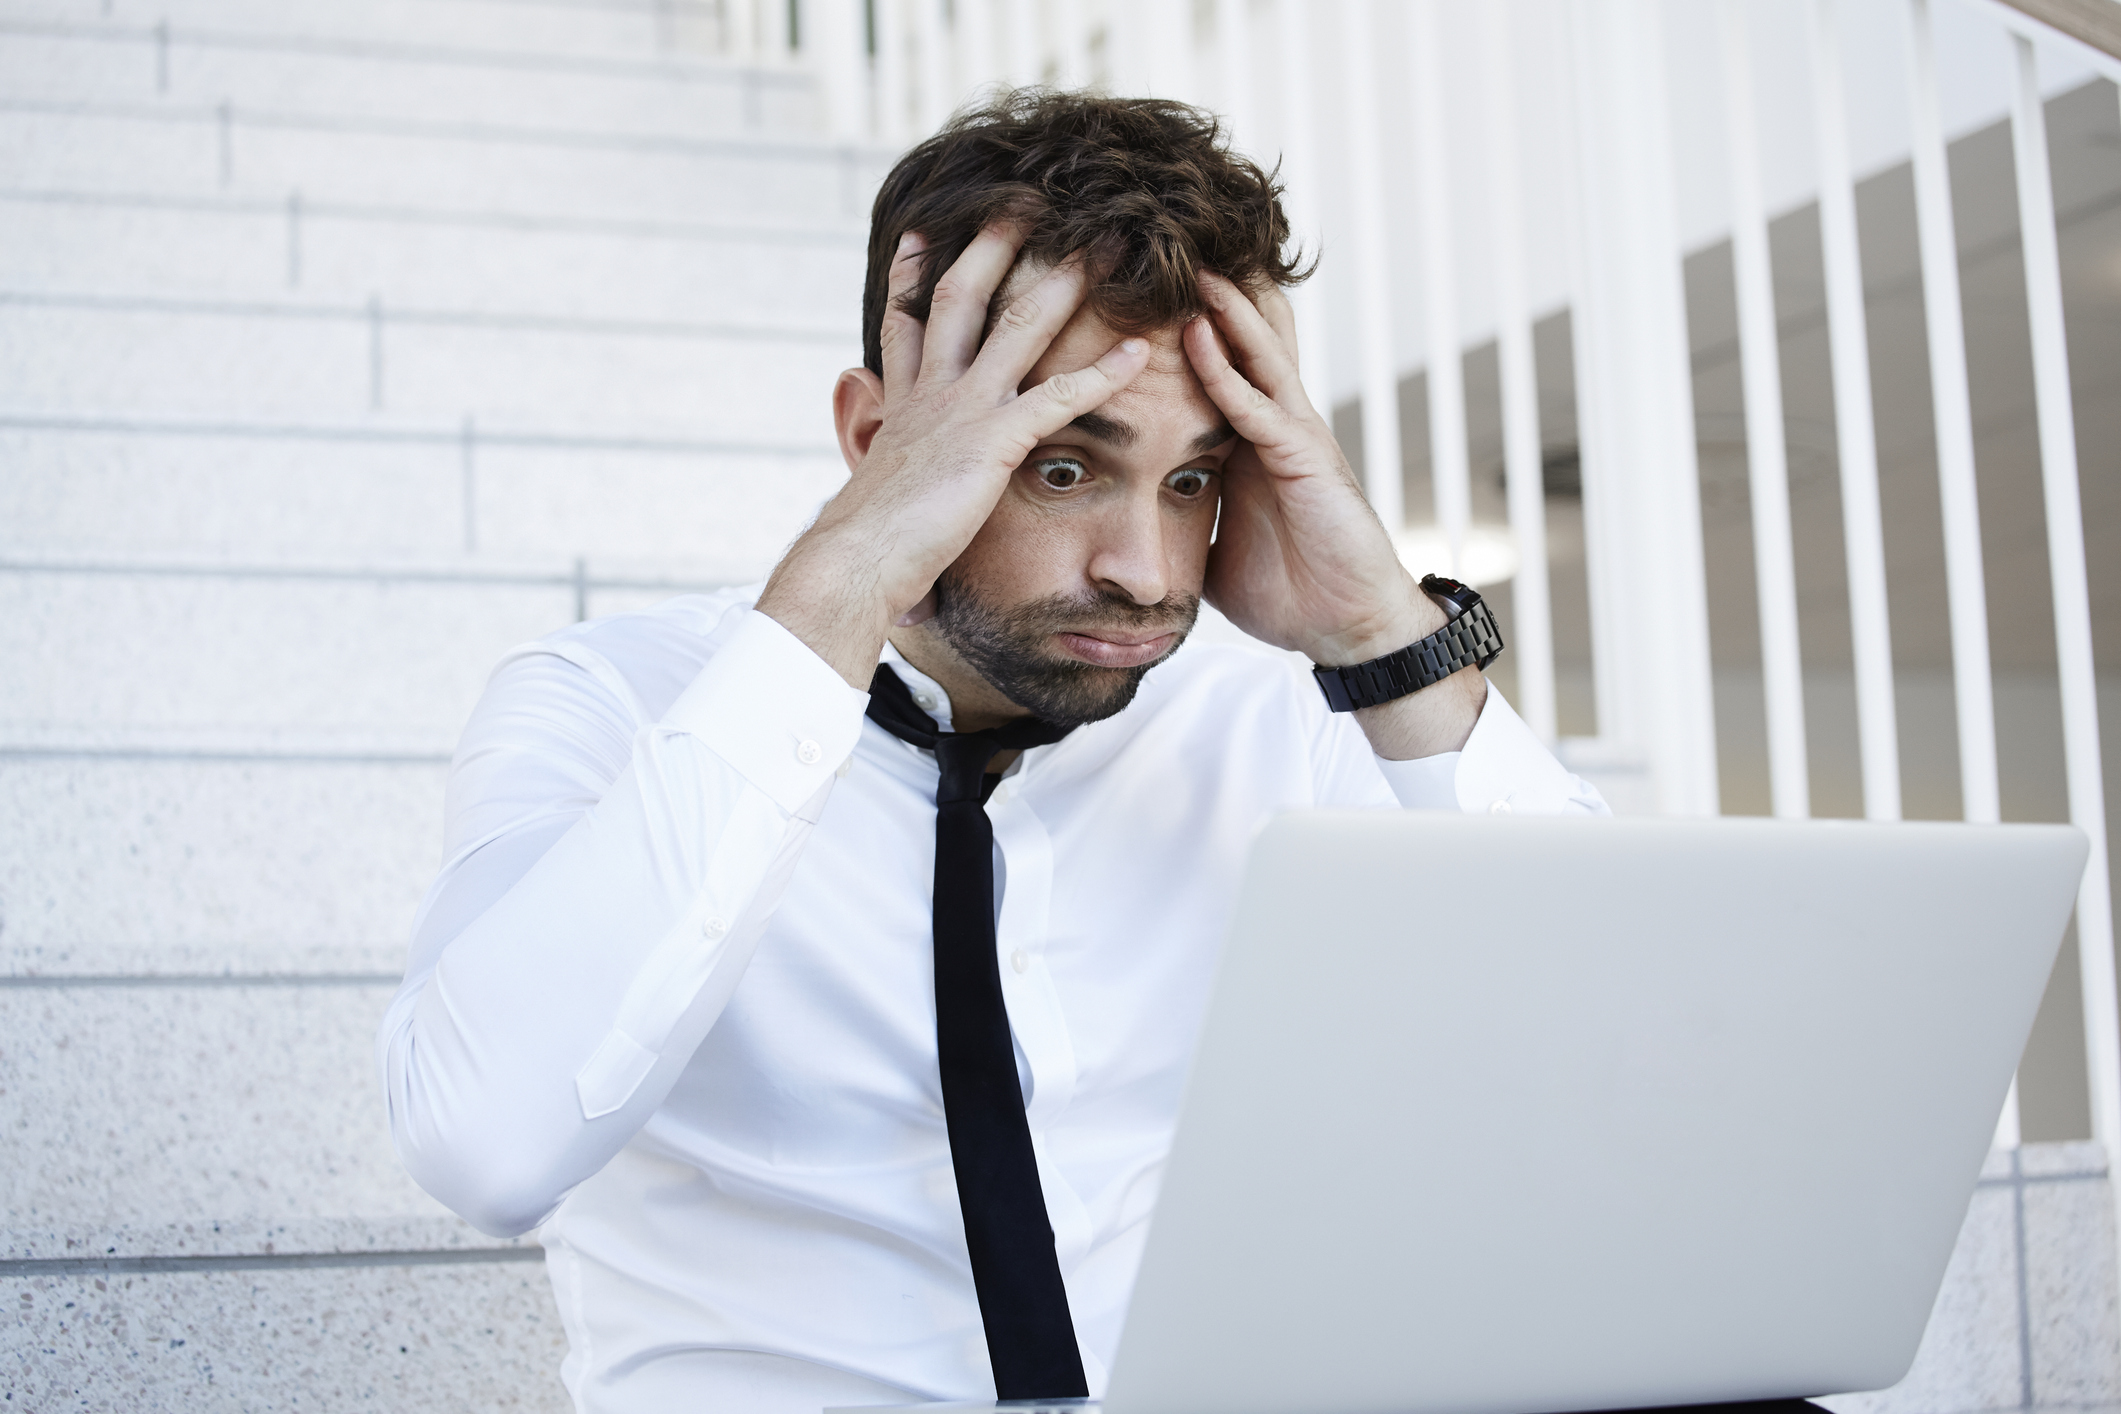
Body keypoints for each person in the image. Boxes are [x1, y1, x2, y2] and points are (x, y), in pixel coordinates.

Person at [378, 89, 1606, 1414]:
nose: (1144, 571)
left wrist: (1382, 630)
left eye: (1194, 478)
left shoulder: (1274, 721)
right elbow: (484, 1144)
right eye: (1062, 465)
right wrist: (846, 573)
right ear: (874, 438)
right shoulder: (611, 708)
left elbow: (1627, 1070)